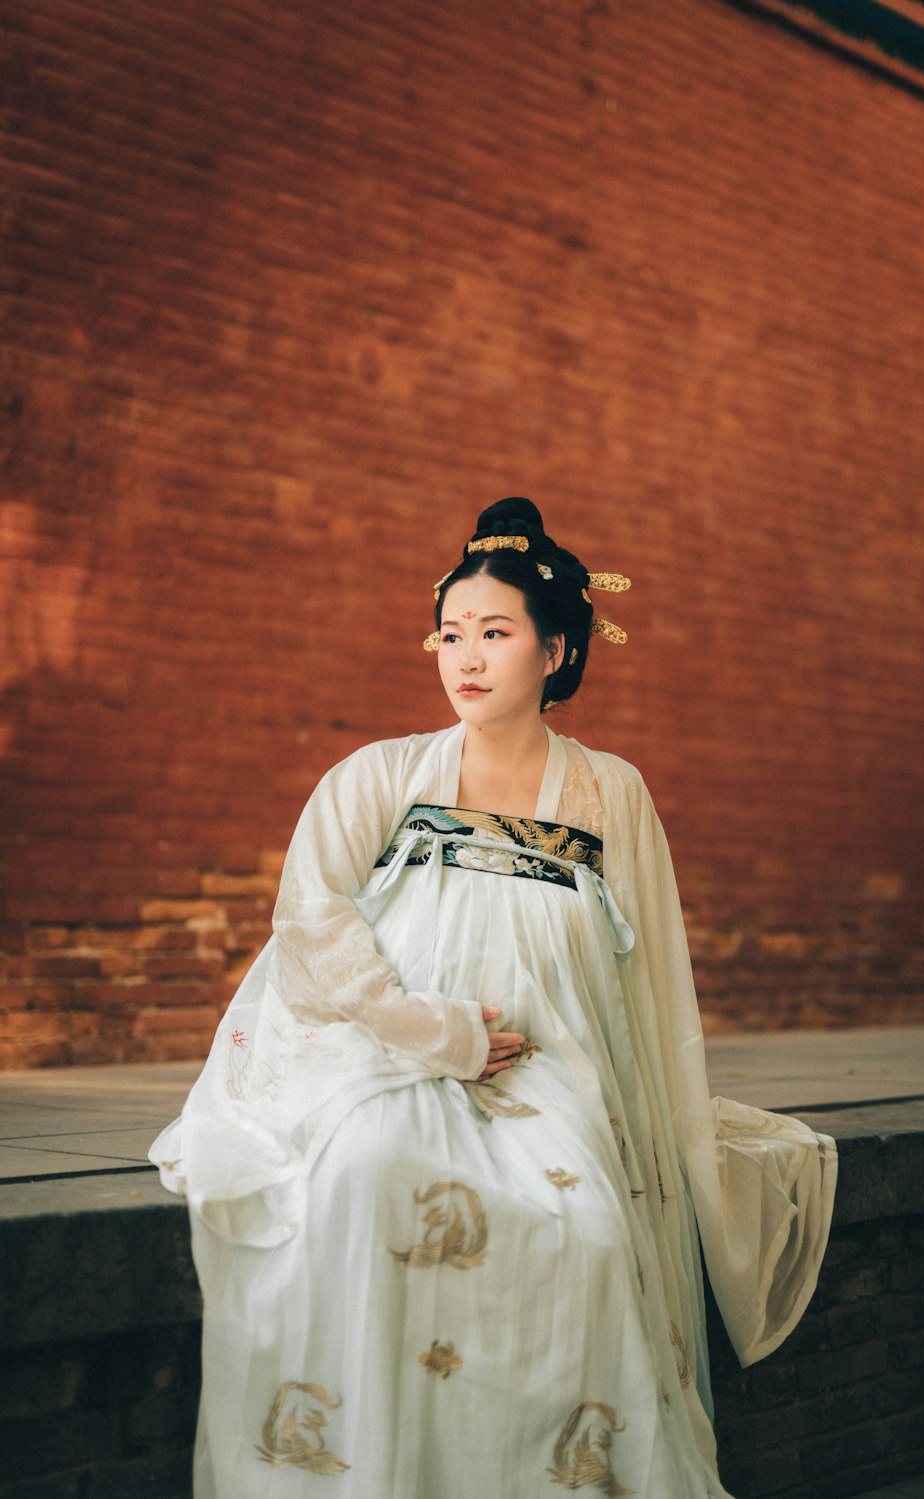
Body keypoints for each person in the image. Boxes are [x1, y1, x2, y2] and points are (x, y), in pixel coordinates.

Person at [151, 497, 837, 1499]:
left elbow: (651, 985)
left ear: (556, 649)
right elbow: (310, 918)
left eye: (496, 633)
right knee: (365, 1173)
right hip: (386, 1055)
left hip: (551, 1068)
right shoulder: (379, 775)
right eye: (451, 633)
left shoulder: (610, 793)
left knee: (591, 1232)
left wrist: (659, 1138)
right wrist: (434, 1032)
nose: (464, 656)